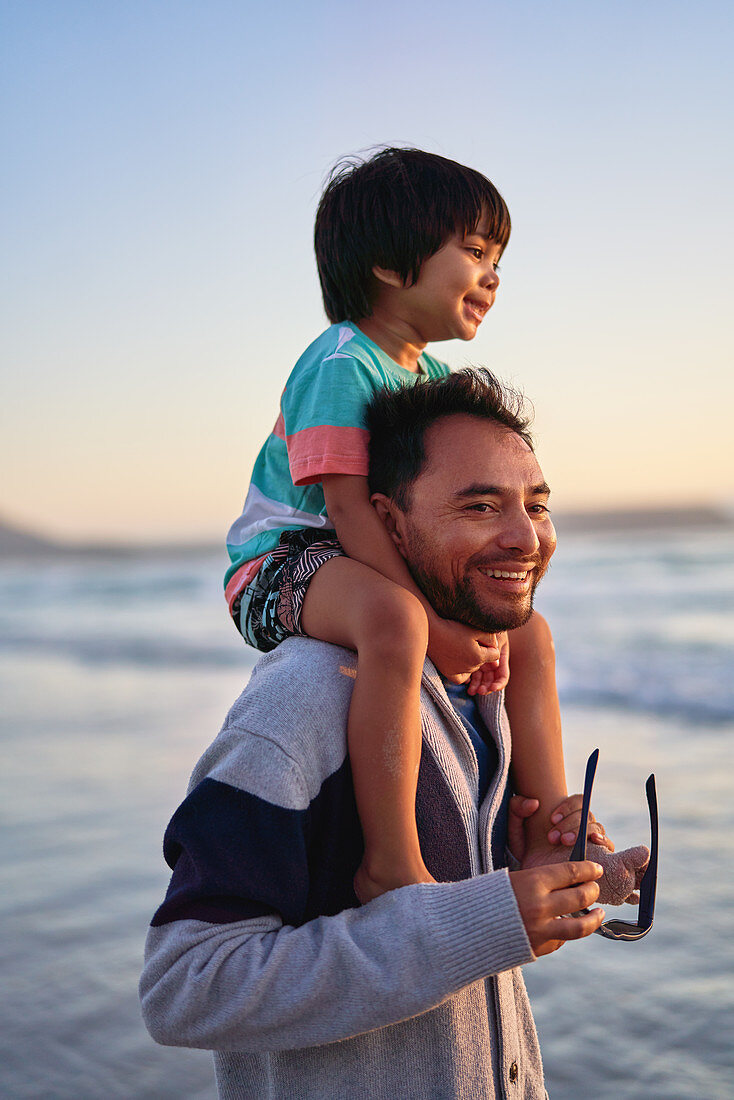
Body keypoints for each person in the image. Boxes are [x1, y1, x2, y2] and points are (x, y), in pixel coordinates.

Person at [141, 370, 647, 1099]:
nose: (525, 537)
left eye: (537, 505)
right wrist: (480, 921)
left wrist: (535, 877)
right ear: (387, 520)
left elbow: (453, 939)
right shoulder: (307, 700)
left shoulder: (485, 687)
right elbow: (186, 985)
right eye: (479, 505)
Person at [224, 148, 585, 904]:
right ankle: (391, 857)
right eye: (476, 252)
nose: (493, 275)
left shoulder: (425, 381)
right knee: (395, 621)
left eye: (498, 258)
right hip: (284, 561)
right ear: (392, 264)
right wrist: (436, 626)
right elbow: (351, 509)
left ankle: (553, 824)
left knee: (531, 633)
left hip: (360, 555)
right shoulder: (341, 362)